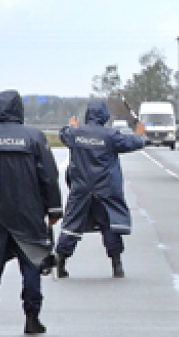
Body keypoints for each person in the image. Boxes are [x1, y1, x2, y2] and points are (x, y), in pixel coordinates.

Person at [0, 90, 62, 335]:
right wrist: (54, 209)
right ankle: (31, 318)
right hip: (29, 214)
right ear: (20, 109)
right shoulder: (35, 138)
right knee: (31, 264)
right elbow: (49, 176)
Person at [55, 100, 145, 279]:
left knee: (71, 224)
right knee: (109, 226)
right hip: (105, 189)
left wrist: (72, 125)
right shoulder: (111, 136)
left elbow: (63, 133)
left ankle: (61, 261)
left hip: (81, 188)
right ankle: (117, 266)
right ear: (104, 116)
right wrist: (140, 134)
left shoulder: (74, 134)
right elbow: (133, 143)